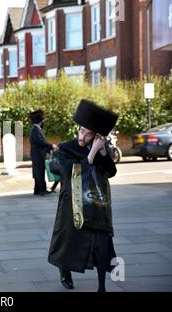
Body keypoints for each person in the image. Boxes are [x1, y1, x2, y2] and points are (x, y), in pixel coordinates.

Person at [48, 99, 119, 292]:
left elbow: (111, 172)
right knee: (69, 241)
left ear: (95, 135)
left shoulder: (101, 148)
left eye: (87, 134)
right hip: (71, 202)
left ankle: (101, 286)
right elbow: (71, 173)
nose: (82, 136)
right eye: (81, 131)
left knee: (101, 243)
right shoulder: (66, 149)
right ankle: (65, 270)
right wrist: (92, 152)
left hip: (97, 205)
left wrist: (103, 151)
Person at [29, 110, 57, 196]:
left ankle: (37, 189)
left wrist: (48, 149)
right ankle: (42, 190)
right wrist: (52, 146)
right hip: (38, 155)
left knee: (38, 171)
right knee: (39, 172)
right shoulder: (35, 130)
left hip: (38, 154)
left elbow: (40, 143)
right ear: (40, 120)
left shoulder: (36, 130)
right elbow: (40, 142)